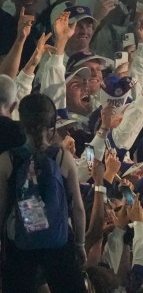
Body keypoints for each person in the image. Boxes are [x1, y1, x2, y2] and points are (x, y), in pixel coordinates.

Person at [0, 93, 86, 292]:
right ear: (52, 123)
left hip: (20, 243)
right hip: (58, 241)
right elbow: (78, 207)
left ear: (21, 121)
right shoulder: (63, 157)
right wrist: (80, 244)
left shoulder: (7, 160)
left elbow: (1, 209)